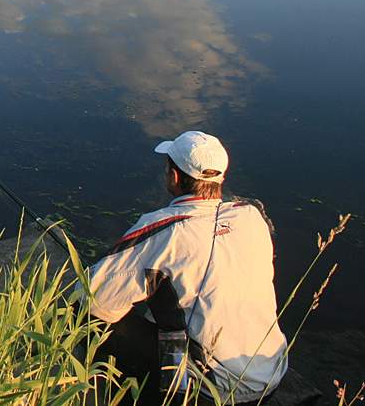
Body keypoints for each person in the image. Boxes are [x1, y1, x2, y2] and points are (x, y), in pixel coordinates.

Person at [78, 131, 288, 403]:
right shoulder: (251, 217)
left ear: (174, 177)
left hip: (215, 390)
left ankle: (132, 393)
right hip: (270, 373)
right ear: (220, 177)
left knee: (86, 314)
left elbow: (93, 299)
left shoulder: (165, 230)